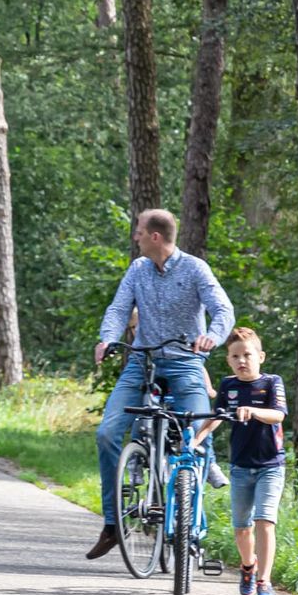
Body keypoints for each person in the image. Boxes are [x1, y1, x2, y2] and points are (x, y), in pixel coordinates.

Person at [86, 209, 236, 561]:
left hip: (185, 361)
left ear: (155, 236)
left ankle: (191, 520)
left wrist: (212, 336)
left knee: (199, 429)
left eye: (138, 232)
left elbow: (223, 309)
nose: (135, 237)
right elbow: (119, 308)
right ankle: (112, 523)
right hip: (143, 361)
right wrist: (108, 339)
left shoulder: (195, 269)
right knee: (107, 433)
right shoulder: (138, 270)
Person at [197, 327, 286, 595]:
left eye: (247, 354)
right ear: (228, 360)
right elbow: (217, 416)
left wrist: (254, 412)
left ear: (260, 356)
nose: (242, 361)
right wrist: (198, 437)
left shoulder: (271, 382)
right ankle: (248, 566)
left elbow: (278, 415)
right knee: (241, 527)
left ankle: (264, 581)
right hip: (240, 467)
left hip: (271, 465)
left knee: (265, 521)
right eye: (235, 356)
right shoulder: (227, 385)